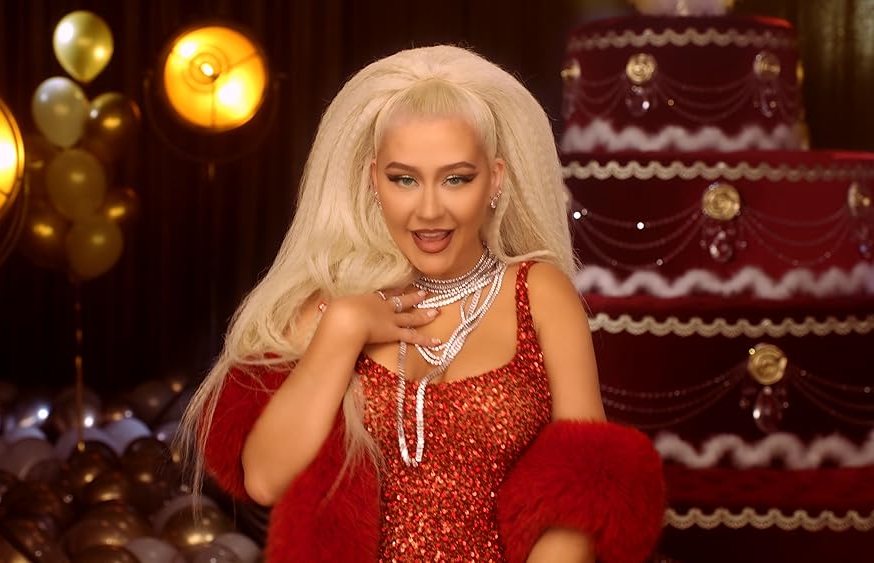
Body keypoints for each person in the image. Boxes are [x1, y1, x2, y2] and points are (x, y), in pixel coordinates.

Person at [176, 45, 664, 563]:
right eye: (404, 179)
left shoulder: (539, 293)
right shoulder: (331, 306)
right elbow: (264, 479)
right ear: (374, 181)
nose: (429, 210)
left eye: (457, 178)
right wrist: (345, 327)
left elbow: (585, 486)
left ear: (495, 179)